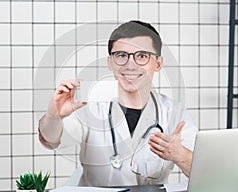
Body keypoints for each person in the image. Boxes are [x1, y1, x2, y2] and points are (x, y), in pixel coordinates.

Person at [38, 20, 198, 186]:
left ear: (157, 64)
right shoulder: (90, 105)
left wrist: (181, 155)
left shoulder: (174, 113)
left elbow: (205, 172)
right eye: (121, 55)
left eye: (142, 56)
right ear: (110, 62)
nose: (130, 65)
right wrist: (53, 117)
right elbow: (51, 140)